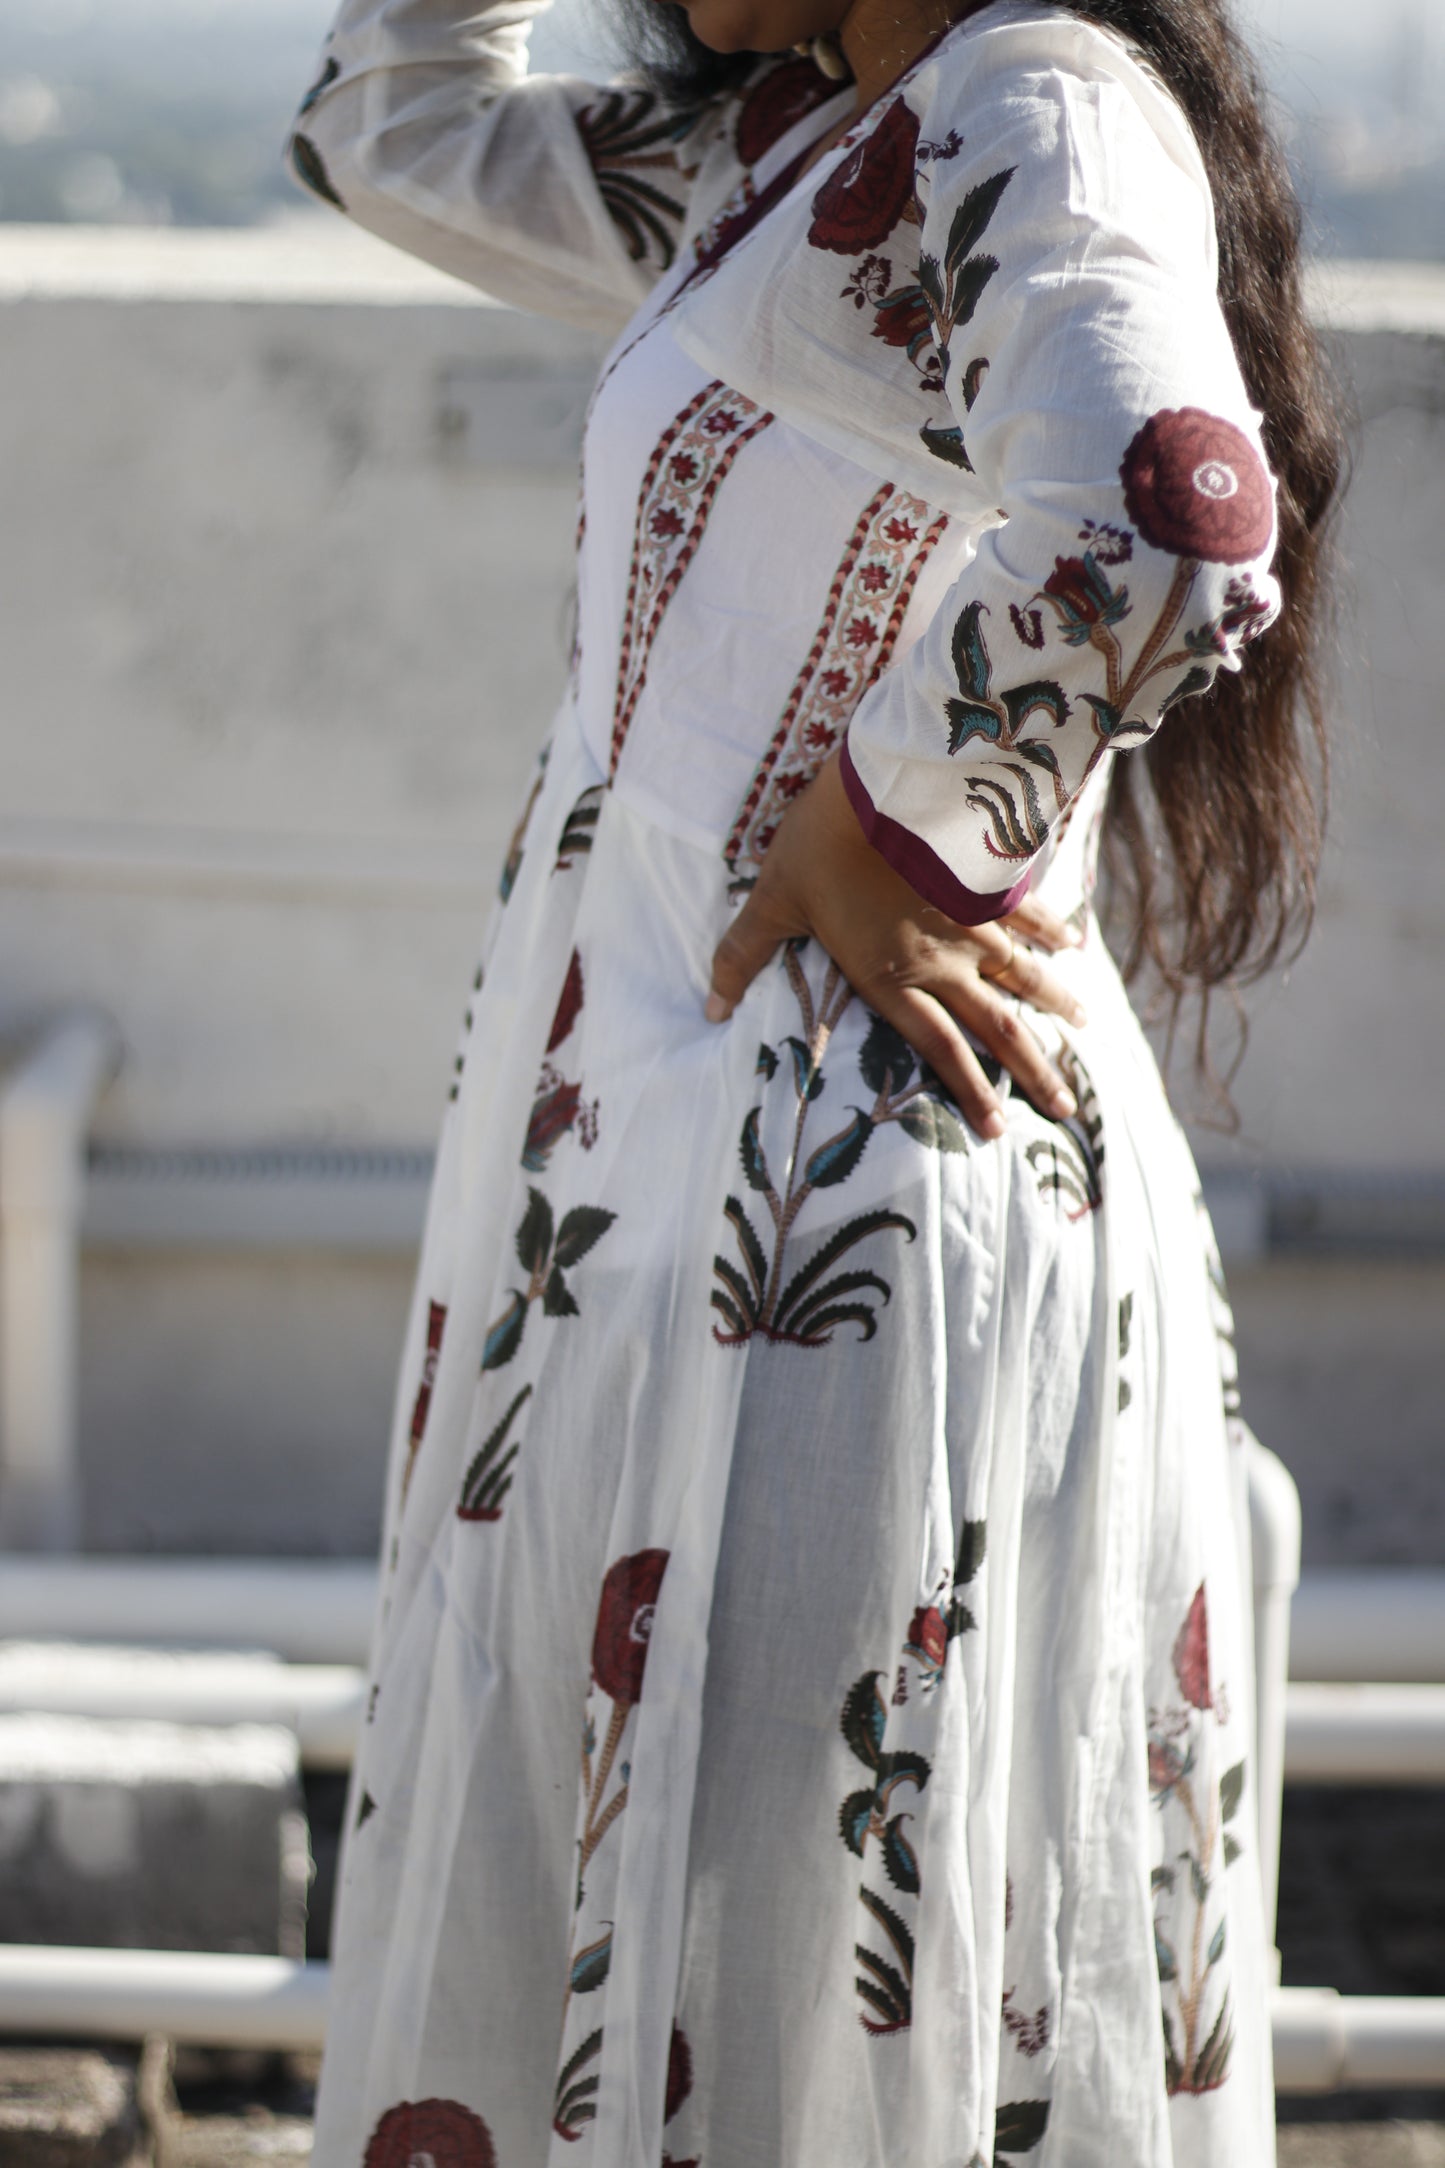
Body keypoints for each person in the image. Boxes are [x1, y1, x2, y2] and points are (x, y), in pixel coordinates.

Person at [287, 0, 1339, 2157]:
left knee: (785, 1989)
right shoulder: (797, 151)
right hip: (665, 1212)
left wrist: (890, 817)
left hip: (830, 1237)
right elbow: (385, 127)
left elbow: (1174, 508)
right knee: (670, 1953)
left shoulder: (1033, 102)